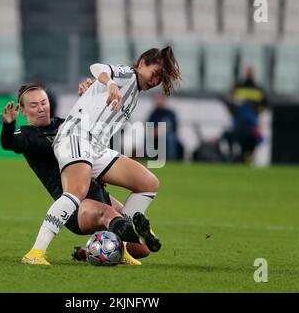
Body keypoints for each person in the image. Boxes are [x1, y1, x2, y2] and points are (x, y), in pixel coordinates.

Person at [23, 46, 181, 264]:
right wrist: (110, 83)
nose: (155, 81)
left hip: (96, 147)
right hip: (76, 136)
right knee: (76, 192)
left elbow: (95, 98)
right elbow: (97, 67)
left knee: (148, 183)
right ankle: (36, 253)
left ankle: (121, 244)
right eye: (155, 74)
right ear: (142, 63)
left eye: (160, 79)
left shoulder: (134, 92)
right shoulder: (127, 74)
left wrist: (95, 88)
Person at [0, 84, 156, 265]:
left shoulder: (64, 124)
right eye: (34, 106)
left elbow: (91, 133)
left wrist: (89, 99)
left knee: (142, 249)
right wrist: (9, 125)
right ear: (24, 112)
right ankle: (36, 253)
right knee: (109, 214)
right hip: (75, 204)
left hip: (98, 192)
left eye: (43, 102)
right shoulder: (26, 134)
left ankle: (91, 250)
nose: (41, 108)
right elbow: (9, 143)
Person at [222, 67, 267, 162]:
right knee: (240, 140)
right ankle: (240, 158)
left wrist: (256, 114)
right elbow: (228, 100)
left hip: (251, 122)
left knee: (250, 141)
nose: (249, 74)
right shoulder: (238, 87)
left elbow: (264, 104)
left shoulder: (258, 88)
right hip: (239, 122)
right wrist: (234, 113)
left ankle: (247, 157)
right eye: (248, 72)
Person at [147, 92, 182, 160]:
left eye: (160, 99)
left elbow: (172, 127)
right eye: (157, 99)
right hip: (155, 135)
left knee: (171, 138)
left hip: (167, 135)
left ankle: (171, 159)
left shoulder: (170, 113)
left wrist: (161, 131)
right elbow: (148, 126)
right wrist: (154, 132)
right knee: (145, 138)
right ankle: (147, 158)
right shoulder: (152, 114)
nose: (159, 101)